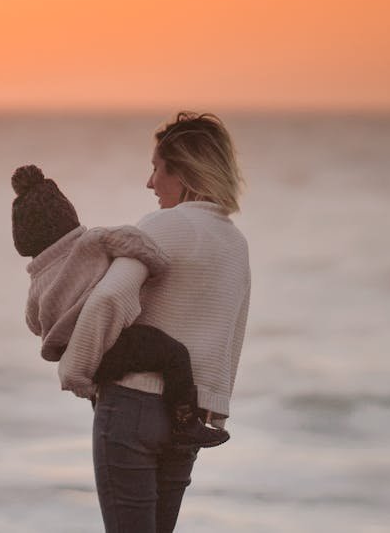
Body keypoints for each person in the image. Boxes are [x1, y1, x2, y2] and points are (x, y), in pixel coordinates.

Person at [58, 112, 252, 533]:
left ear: (182, 171)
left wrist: (77, 371)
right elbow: (231, 336)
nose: (150, 183)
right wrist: (215, 412)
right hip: (187, 419)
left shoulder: (164, 224)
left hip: (133, 408)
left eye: (156, 168)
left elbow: (110, 295)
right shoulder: (235, 243)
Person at [13, 165, 228, 449]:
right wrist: (157, 265)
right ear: (68, 215)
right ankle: (184, 422)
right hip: (114, 342)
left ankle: (108, 423)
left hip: (78, 355)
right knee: (174, 355)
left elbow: (34, 323)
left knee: (104, 401)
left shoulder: (36, 285)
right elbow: (131, 239)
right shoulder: (91, 242)